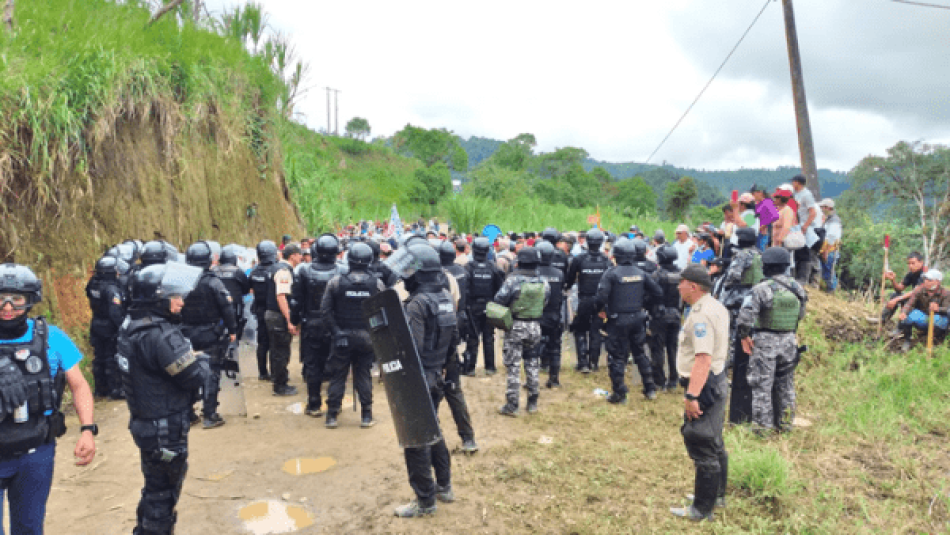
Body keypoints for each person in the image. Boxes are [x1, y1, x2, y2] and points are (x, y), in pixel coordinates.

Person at [0, 263, 97, 534]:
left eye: (16, 299)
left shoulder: (52, 338)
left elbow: (79, 386)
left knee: (30, 528)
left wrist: (87, 430)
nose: (7, 307)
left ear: (30, 300)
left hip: (36, 452)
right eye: (0, 298)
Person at [117, 263, 210, 535]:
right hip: (164, 428)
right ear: (158, 299)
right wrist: (201, 360)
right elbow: (194, 376)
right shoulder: (160, 335)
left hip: (146, 422)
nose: (181, 302)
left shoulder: (130, 326)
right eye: (174, 297)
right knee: (163, 494)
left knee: (155, 488)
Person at [395, 245, 457, 518]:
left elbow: (413, 349)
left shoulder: (417, 304)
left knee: (416, 439)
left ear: (418, 275)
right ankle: (444, 486)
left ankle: (425, 501)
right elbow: (454, 341)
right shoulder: (445, 297)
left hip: (419, 378)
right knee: (434, 430)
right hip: (437, 375)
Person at [669, 264, 729, 522]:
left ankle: (702, 510)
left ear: (692, 286)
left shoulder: (701, 315)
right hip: (716, 380)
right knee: (715, 441)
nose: (678, 286)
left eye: (681, 282)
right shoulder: (716, 305)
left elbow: (702, 358)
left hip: (703, 384)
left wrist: (692, 396)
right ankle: (716, 495)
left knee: (702, 440)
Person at [735, 248, 808, 434]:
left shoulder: (761, 289)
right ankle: (785, 424)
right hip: (790, 341)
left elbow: (745, 318)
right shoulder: (798, 288)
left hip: (766, 342)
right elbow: (800, 315)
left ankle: (762, 427)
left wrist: (744, 336)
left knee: (762, 385)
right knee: (786, 385)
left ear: (766, 266)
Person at [321, 242, 385, 428]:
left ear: (349, 260)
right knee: (363, 375)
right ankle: (366, 415)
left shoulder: (336, 282)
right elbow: (383, 312)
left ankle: (332, 416)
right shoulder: (377, 284)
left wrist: (336, 332)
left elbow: (325, 311)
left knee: (338, 376)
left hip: (342, 337)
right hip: (366, 338)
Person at [596, 239, 663, 404]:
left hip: (618, 320)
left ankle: (619, 393)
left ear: (615, 255)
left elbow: (601, 297)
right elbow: (658, 292)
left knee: (617, 356)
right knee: (640, 352)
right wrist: (642, 303)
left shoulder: (611, 273)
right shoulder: (640, 273)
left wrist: (602, 310)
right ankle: (650, 388)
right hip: (637, 318)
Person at [180, 241, 238, 429]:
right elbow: (227, 308)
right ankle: (210, 413)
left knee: (187, 372)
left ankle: (188, 413)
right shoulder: (213, 282)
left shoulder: (182, 282)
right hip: (210, 334)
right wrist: (233, 330)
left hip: (185, 334)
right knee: (211, 372)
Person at [295, 235, 347, 417]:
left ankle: (314, 403)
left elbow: (297, 301)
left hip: (312, 323)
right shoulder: (343, 270)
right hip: (336, 324)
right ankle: (334, 403)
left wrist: (295, 321)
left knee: (313, 365)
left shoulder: (304, 271)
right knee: (336, 365)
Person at [494, 247, 550, 416]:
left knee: (514, 366)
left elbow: (499, 300)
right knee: (532, 363)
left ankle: (512, 405)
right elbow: (545, 301)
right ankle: (532, 402)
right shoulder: (543, 281)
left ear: (519, 262)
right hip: (535, 326)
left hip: (516, 326)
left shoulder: (513, 281)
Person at [438, 242, 478, 453]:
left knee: (430, 397)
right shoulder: (453, 278)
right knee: (454, 392)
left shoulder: (412, 287)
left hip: (430, 351)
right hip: (448, 344)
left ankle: (430, 440)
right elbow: (457, 306)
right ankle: (468, 439)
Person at [565, 229, 610, 373]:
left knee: (580, 330)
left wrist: (566, 288)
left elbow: (570, 279)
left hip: (584, 300)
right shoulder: (606, 260)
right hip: (600, 302)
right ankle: (594, 362)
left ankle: (583, 363)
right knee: (595, 331)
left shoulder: (579, 259)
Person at [86, 255, 127, 399]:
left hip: (96, 323)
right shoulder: (111, 289)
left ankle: (100, 389)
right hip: (109, 327)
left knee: (99, 357)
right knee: (111, 358)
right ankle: (114, 389)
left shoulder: (93, 283)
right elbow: (114, 312)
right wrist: (123, 326)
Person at [265, 244, 303, 397]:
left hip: (271, 314)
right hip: (278, 315)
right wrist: (289, 320)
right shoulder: (283, 272)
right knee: (281, 351)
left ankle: (277, 380)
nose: (301, 257)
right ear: (293, 255)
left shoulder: (275, 268)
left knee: (276, 350)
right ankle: (280, 386)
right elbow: (281, 297)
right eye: (299, 254)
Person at [463, 238, 505, 376]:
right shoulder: (493, 268)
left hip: (472, 307)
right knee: (488, 337)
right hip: (489, 306)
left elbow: (465, 289)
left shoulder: (468, 268)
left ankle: (470, 368)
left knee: (473, 338)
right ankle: (490, 367)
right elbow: (500, 289)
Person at [649, 245, 683, 392]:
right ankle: (674, 380)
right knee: (673, 348)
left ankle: (659, 381)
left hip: (659, 316)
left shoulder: (656, 275)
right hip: (676, 314)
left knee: (658, 348)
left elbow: (649, 295)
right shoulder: (682, 274)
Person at [897, 270, 950, 351]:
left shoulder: (946, 293)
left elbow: (947, 309)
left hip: (939, 319)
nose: (926, 282)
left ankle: (940, 338)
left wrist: (938, 309)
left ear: (938, 282)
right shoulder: (919, 290)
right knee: (909, 317)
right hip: (924, 316)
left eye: (930, 280)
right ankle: (907, 340)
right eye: (925, 279)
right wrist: (903, 312)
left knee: (936, 319)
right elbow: (910, 304)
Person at [536, 242, 566, 388]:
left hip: (535, 316)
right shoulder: (559, 274)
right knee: (555, 348)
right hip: (554, 316)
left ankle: (532, 380)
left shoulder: (533, 273)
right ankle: (554, 379)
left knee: (532, 349)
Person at [249, 241, 279, 381]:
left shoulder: (254, 271)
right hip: (273, 310)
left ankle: (262, 372)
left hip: (259, 310)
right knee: (275, 343)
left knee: (262, 343)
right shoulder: (275, 270)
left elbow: (249, 288)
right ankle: (274, 373)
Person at [882, 252, 927, 326]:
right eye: (909, 264)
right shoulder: (911, 274)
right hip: (915, 299)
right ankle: (883, 319)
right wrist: (893, 280)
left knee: (904, 299)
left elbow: (915, 292)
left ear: (921, 262)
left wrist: (896, 300)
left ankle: (901, 327)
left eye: (913, 263)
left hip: (924, 303)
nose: (910, 266)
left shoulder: (925, 274)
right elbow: (899, 289)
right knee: (895, 295)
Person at [790, 176, 819, 285]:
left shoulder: (806, 194)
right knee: (797, 251)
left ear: (798, 183)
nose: (792, 184)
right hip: (796, 226)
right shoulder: (796, 194)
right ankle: (798, 277)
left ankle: (804, 279)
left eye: (793, 182)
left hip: (803, 227)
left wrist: (806, 226)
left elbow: (813, 212)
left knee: (804, 252)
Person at [817, 199, 841, 292]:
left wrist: (825, 252)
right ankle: (829, 289)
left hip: (830, 250)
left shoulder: (834, 220)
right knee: (826, 271)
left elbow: (831, 237)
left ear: (828, 208)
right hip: (827, 249)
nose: (821, 209)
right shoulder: (829, 219)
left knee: (829, 272)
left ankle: (831, 290)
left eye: (822, 207)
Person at [751, 185, 779, 251]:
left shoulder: (767, 202)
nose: (752, 196)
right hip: (757, 231)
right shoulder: (758, 203)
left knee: (761, 251)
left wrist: (764, 225)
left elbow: (775, 216)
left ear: (760, 192)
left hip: (764, 232)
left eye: (753, 193)